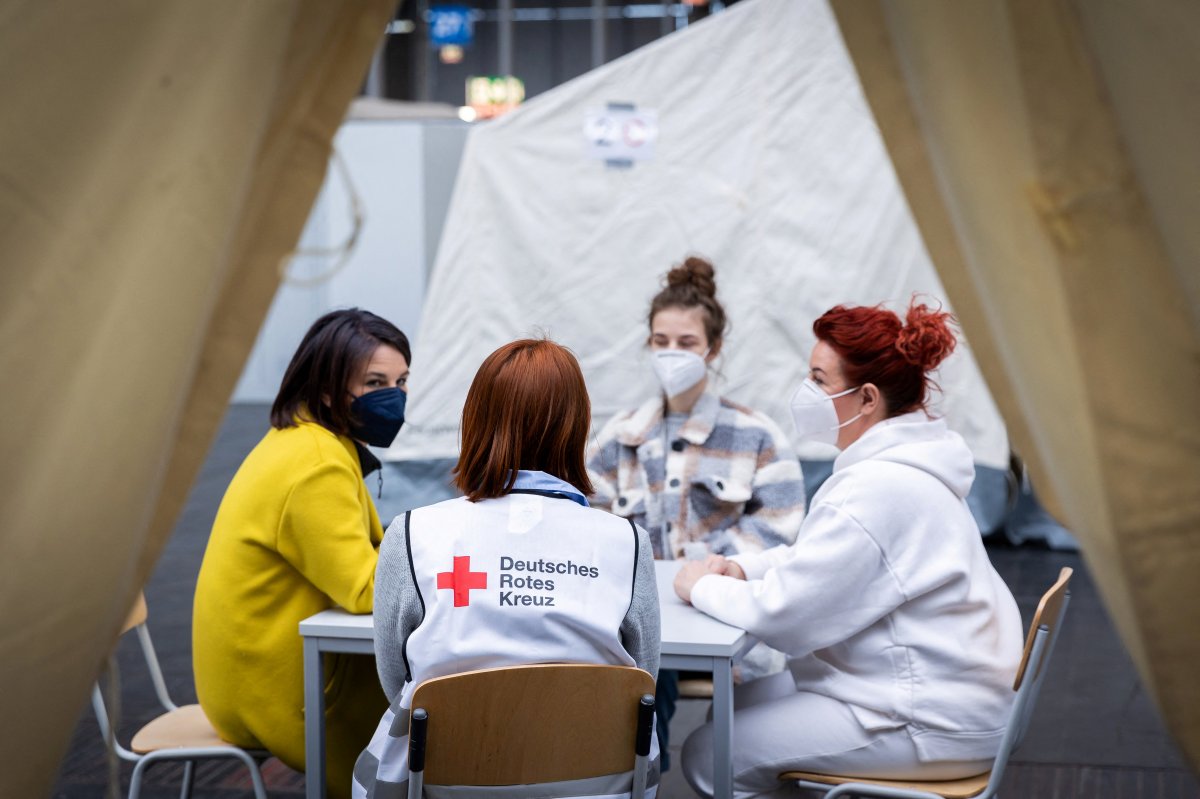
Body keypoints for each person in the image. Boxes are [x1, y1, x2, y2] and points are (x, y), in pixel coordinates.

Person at [673, 300, 1024, 799]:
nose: (806, 392)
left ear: (866, 400)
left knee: (709, 753)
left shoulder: (877, 488)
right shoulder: (905, 467)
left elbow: (787, 613)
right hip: (947, 695)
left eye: (819, 379)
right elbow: (818, 560)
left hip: (927, 718)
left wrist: (701, 585)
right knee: (733, 710)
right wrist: (741, 569)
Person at [354, 338, 661, 799]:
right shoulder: (628, 544)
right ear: (576, 427)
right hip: (595, 788)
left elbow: (396, 680)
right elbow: (643, 684)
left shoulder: (415, 533)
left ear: (475, 422)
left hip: (443, 786)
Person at [587, 256, 806, 767]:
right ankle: (644, 774)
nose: (671, 353)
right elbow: (587, 524)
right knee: (636, 691)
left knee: (737, 754)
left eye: (685, 343)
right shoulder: (618, 437)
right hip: (638, 628)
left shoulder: (758, 437)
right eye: (661, 341)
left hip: (728, 625)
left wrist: (710, 577)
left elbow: (779, 531)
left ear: (714, 348)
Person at [193, 308, 410, 799]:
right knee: (432, 729)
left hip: (243, 679)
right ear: (328, 387)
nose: (393, 396)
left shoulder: (301, 438)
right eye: (375, 382)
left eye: (401, 380)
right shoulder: (317, 463)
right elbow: (363, 588)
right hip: (285, 694)